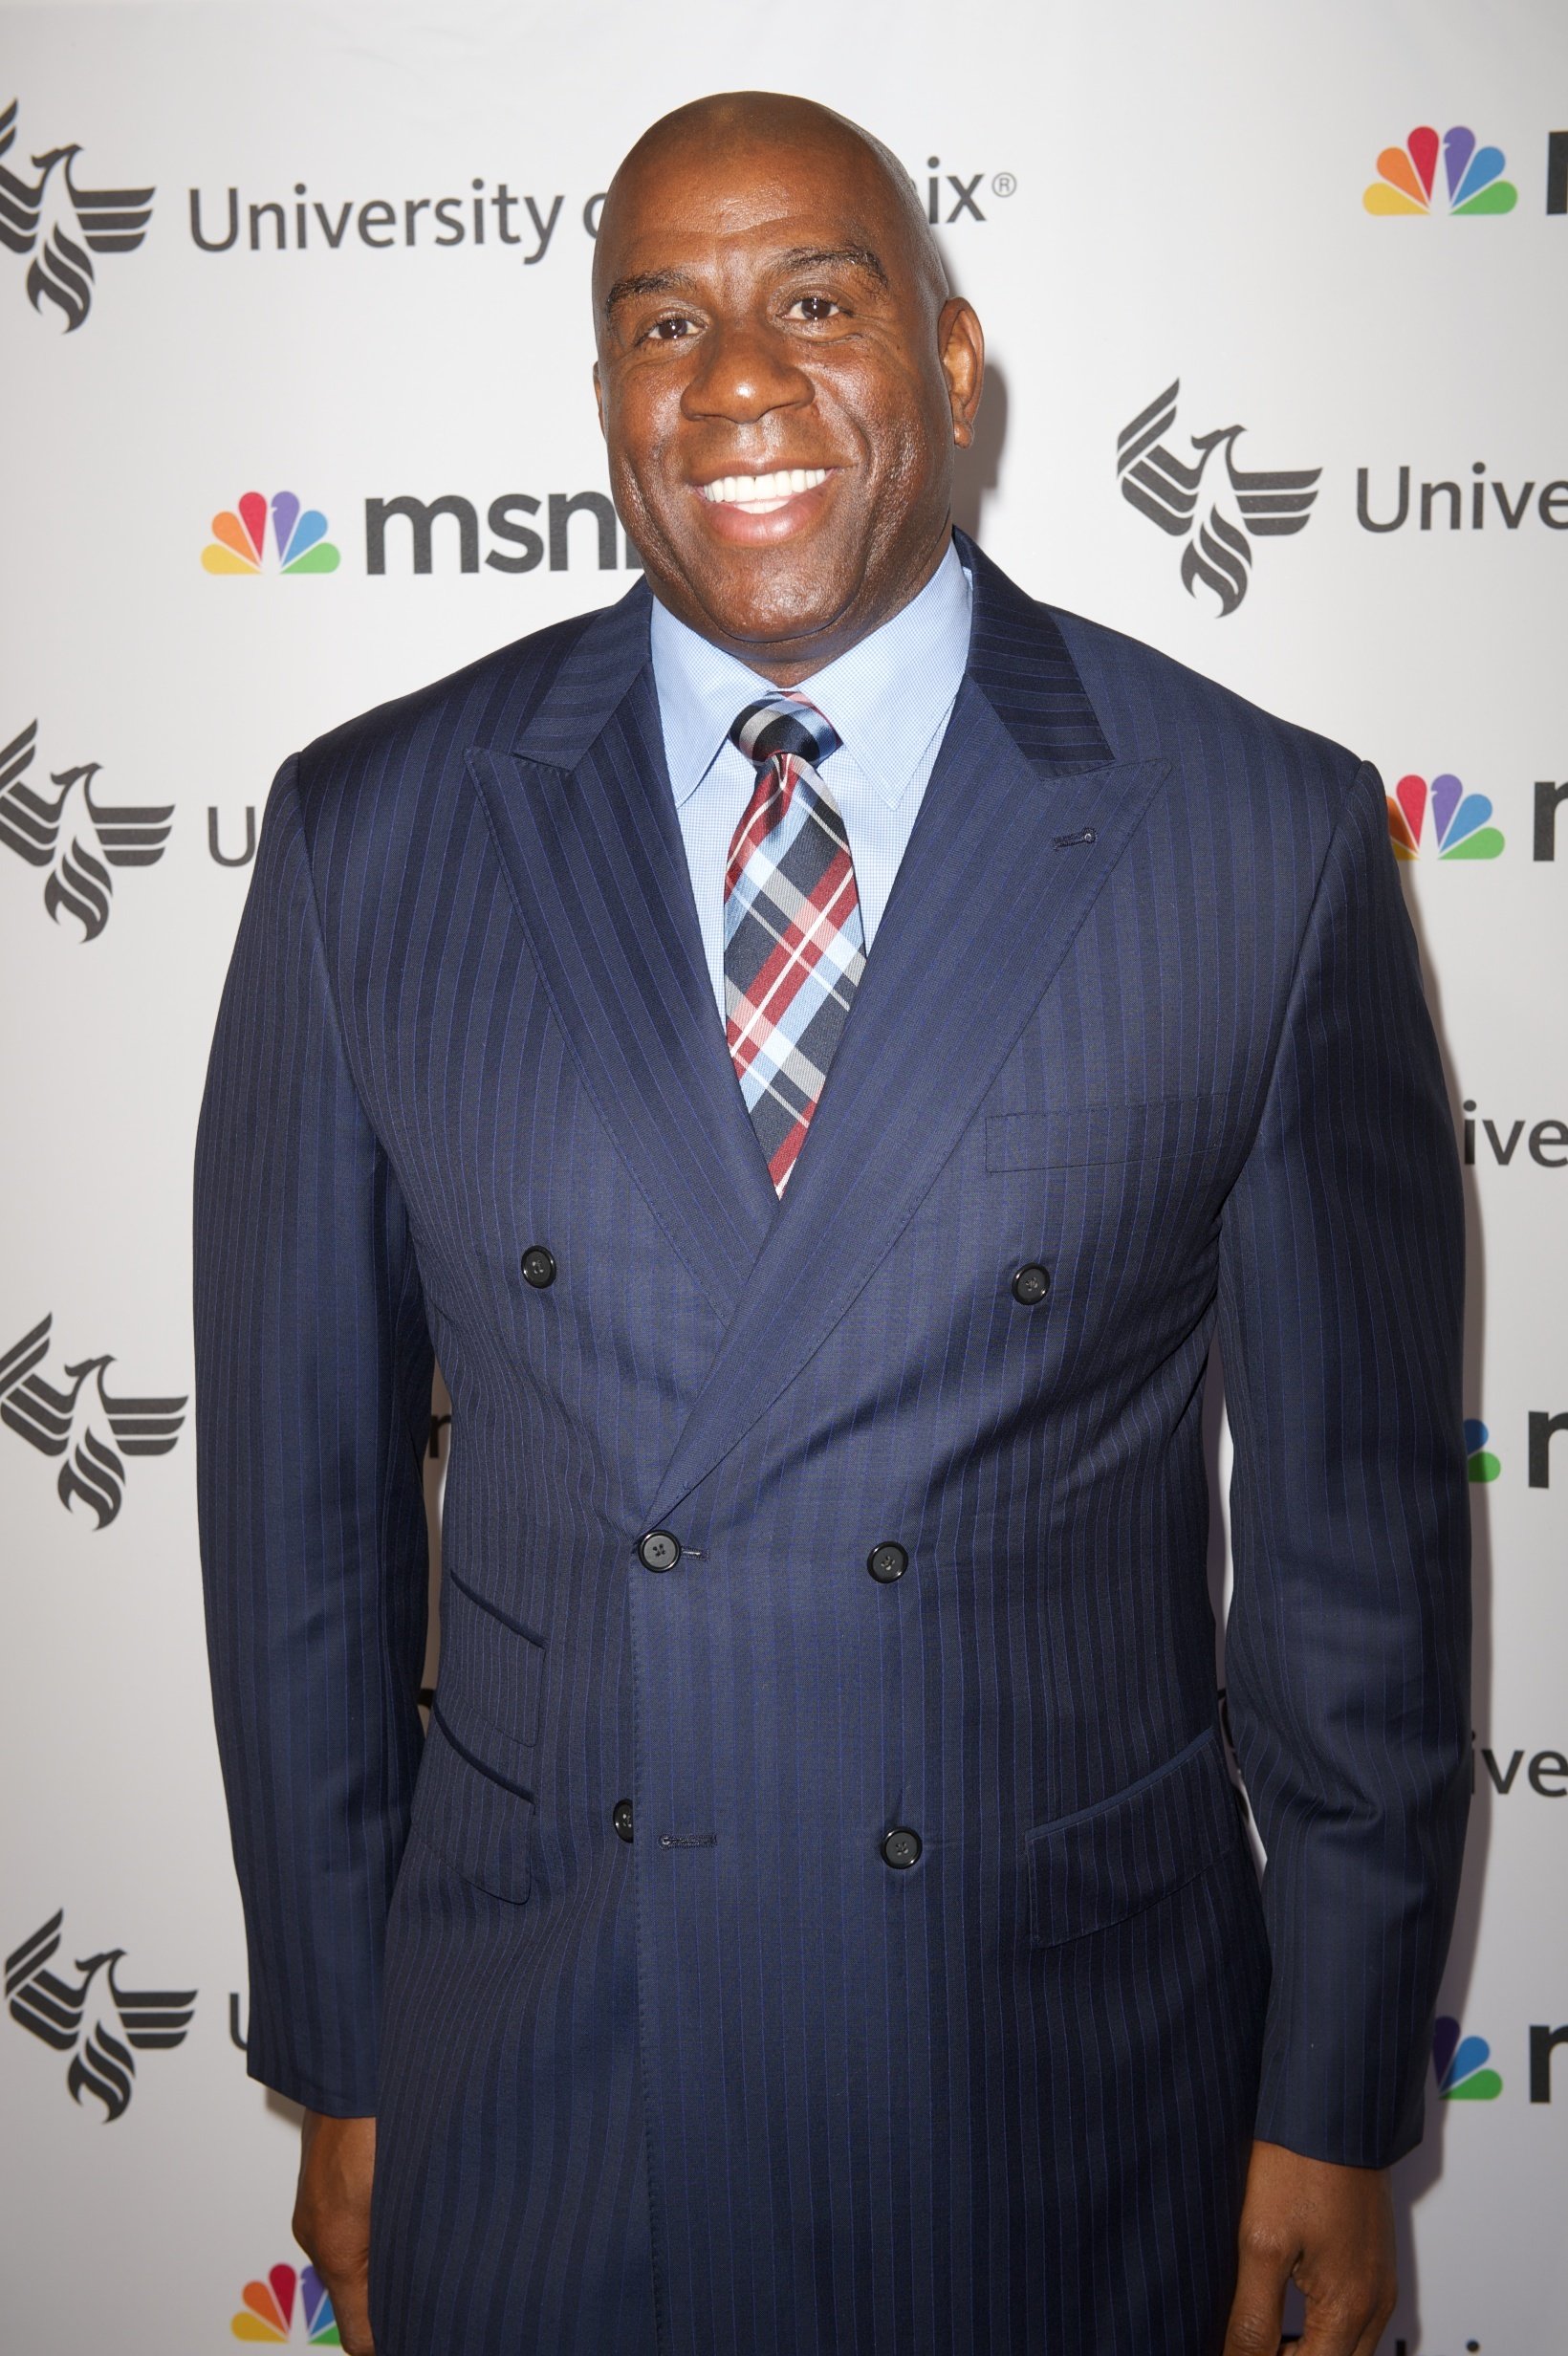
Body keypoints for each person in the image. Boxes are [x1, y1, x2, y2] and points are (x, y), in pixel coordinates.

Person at [194, 91, 1470, 2356]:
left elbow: (1358, 1553)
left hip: (1066, 2068)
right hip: (546, 2058)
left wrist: (1337, 2087)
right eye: (659, 320)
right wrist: (345, 2048)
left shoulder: (1253, 839)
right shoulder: (370, 839)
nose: (736, 382)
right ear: (602, 393)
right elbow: (302, 1528)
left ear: (952, 364)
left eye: (814, 300)